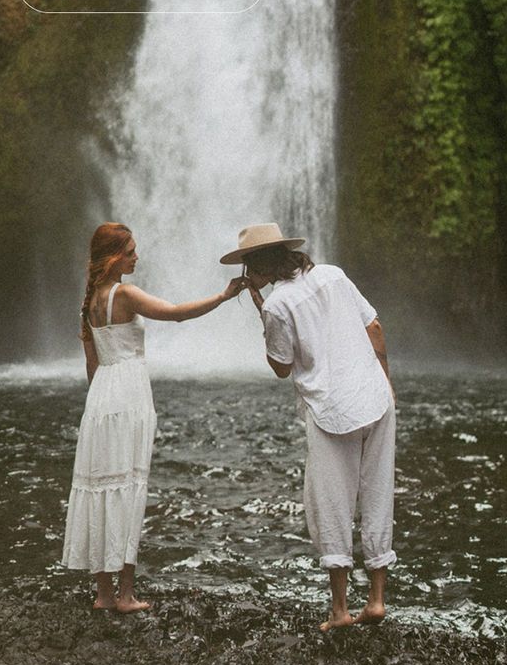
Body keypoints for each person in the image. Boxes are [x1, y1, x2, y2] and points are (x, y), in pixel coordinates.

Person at [220, 223, 396, 632]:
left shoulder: (276, 306)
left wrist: (261, 309)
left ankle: (340, 610)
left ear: (258, 266)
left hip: (331, 410)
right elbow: (375, 328)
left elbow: (281, 367)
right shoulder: (333, 274)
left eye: (249, 266)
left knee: (331, 504)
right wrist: (386, 383)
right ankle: (376, 600)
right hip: (375, 398)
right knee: (377, 494)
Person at [63, 222, 246, 612]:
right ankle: (126, 595)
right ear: (113, 256)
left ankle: (103, 594)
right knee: (128, 486)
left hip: (100, 400)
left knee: (101, 487)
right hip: (129, 394)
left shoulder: (91, 301)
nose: (136, 256)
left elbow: (91, 367)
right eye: (130, 250)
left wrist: (99, 405)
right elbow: (177, 314)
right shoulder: (125, 294)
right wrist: (224, 295)